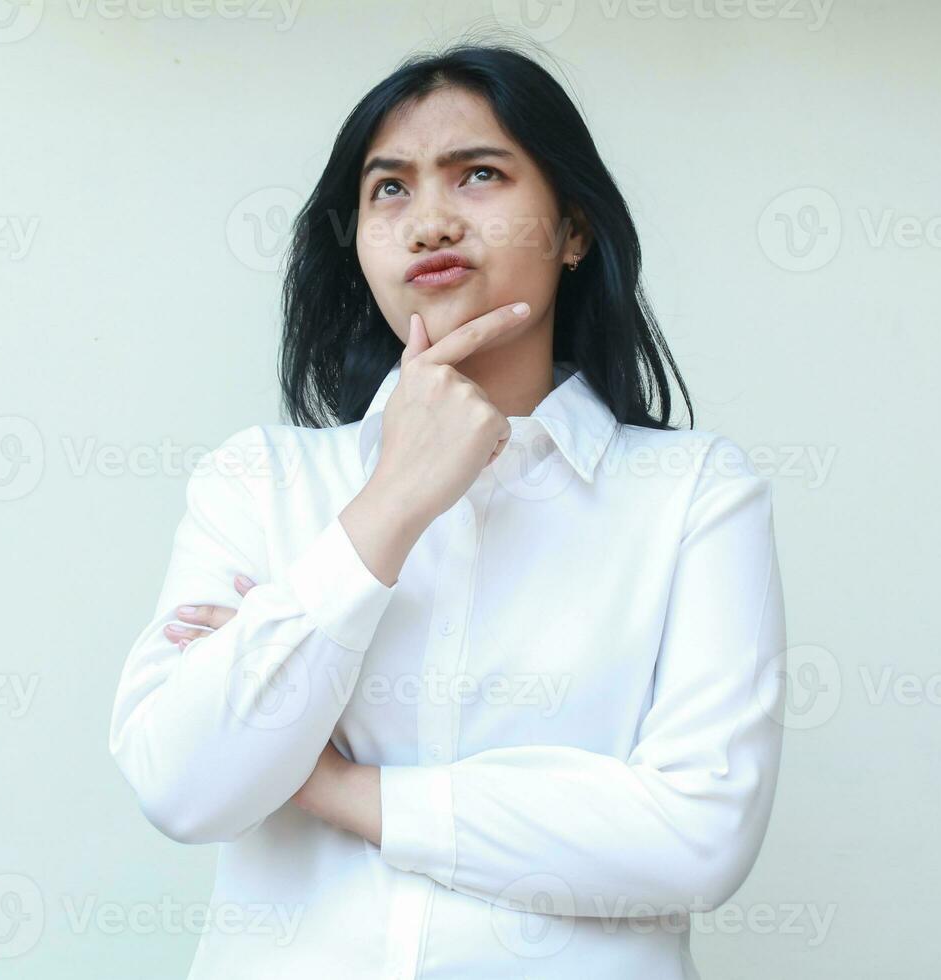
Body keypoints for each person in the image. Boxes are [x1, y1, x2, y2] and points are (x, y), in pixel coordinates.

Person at [109, 39, 787, 980]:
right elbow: (184, 788)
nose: (429, 220)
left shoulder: (692, 495)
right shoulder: (259, 481)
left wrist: (337, 785)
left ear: (574, 227)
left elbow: (696, 838)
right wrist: (390, 502)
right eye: (389, 189)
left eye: (478, 175)